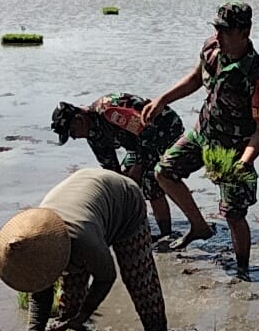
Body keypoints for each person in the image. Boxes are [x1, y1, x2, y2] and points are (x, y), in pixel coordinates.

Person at [142, 2, 259, 281]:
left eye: (226, 31)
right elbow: (195, 79)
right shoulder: (211, 49)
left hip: (234, 150)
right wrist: (162, 100)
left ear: (245, 31)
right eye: (216, 28)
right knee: (164, 172)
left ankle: (242, 271)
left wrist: (244, 161)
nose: (219, 35)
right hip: (203, 132)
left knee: (233, 214)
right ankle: (199, 226)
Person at [0, 168, 169, 331]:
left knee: (138, 278)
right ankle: (72, 328)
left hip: (125, 202)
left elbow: (106, 277)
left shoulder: (83, 240)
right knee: (70, 297)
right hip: (85, 203)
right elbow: (40, 293)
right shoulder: (35, 241)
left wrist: (85, 313)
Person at [51, 93, 185, 238]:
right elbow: (111, 170)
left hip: (163, 128)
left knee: (149, 180)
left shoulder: (109, 111)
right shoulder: (94, 136)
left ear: (79, 119)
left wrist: (139, 167)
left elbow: (146, 130)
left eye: (72, 132)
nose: (74, 137)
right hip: (138, 143)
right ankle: (132, 224)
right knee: (124, 182)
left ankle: (166, 233)